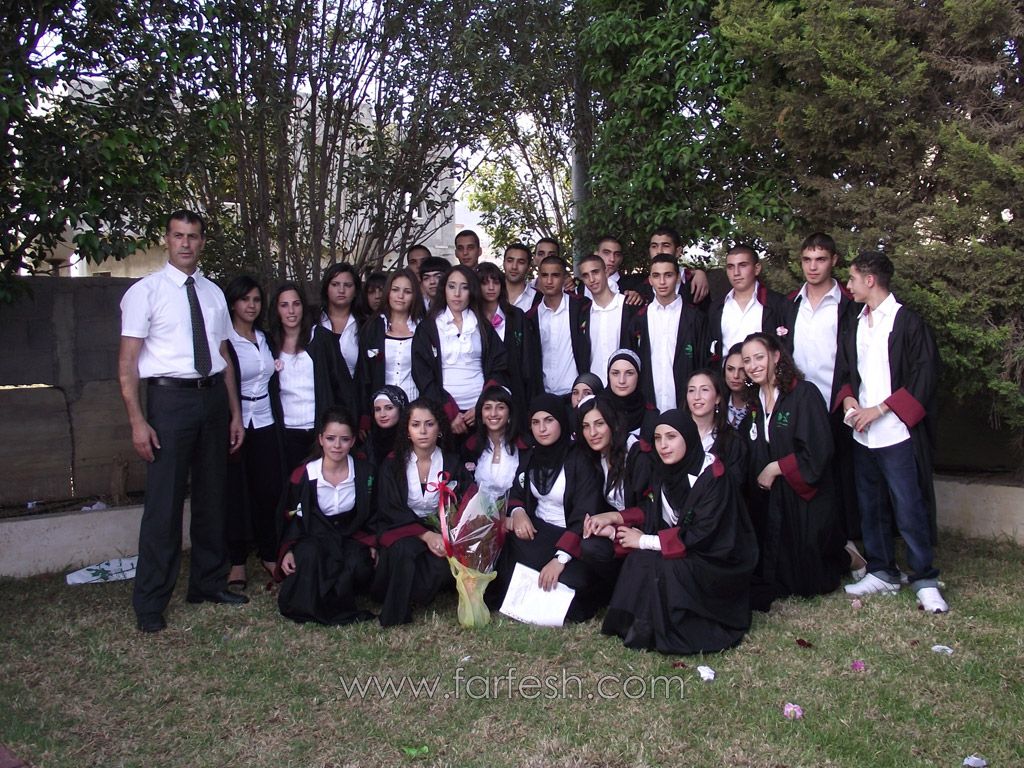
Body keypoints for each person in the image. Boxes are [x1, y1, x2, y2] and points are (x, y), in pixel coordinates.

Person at [118, 209, 247, 633]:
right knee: (164, 503)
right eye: (178, 236)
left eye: (193, 236)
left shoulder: (213, 293)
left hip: (212, 398)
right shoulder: (145, 292)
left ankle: (208, 583)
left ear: (202, 241)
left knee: (213, 497)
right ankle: (151, 601)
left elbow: (223, 355)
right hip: (170, 401)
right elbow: (127, 363)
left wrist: (234, 413)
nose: (186, 243)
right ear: (167, 240)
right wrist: (138, 421)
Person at [836, 251, 947, 613]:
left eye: (852, 278)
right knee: (870, 506)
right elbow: (846, 371)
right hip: (862, 433)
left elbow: (924, 377)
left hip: (897, 433)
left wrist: (879, 410)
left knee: (908, 505)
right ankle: (882, 571)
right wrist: (850, 402)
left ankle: (924, 578)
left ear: (870, 280)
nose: (848, 285)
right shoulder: (855, 322)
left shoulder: (907, 323)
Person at [600, 409, 759, 655]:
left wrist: (644, 540)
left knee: (668, 567)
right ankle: (635, 626)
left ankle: (678, 631)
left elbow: (702, 534)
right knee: (639, 560)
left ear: (688, 437)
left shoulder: (714, 477)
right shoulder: (663, 471)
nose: (663, 445)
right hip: (687, 546)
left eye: (671, 437)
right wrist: (617, 521)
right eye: (658, 438)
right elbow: (655, 511)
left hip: (717, 558)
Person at [741, 332, 846, 611]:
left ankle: (847, 555)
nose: (753, 365)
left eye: (759, 357)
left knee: (808, 582)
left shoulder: (803, 394)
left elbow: (819, 449)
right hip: (773, 500)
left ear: (776, 356)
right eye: (747, 360)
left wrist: (776, 467)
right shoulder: (755, 402)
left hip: (803, 499)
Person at [786, 232, 865, 573]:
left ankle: (846, 541)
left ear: (834, 260)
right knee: (804, 470)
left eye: (820, 259)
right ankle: (807, 538)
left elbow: (854, 358)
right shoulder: (790, 304)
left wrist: (847, 397)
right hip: (798, 404)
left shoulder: (849, 305)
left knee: (840, 474)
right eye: (807, 259)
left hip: (836, 403)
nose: (813, 266)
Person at [492, 394, 603, 622]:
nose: (542, 429)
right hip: (538, 533)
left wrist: (560, 560)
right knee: (506, 547)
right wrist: (519, 512)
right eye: (535, 422)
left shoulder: (579, 460)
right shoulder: (531, 456)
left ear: (561, 421)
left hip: (571, 537)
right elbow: (517, 491)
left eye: (549, 420)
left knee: (575, 580)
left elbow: (585, 513)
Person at [276, 407, 376, 625]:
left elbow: (373, 513)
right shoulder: (303, 475)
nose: (337, 445)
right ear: (321, 439)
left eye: (344, 439)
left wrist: (371, 542)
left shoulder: (365, 472)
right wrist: (288, 549)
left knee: (358, 565)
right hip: (314, 535)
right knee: (309, 556)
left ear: (352, 441)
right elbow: (291, 516)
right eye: (331, 438)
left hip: (349, 534)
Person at [372, 399, 466, 626]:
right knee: (403, 549)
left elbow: (463, 504)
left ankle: (410, 589)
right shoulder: (393, 464)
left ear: (439, 428)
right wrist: (425, 535)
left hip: (440, 529)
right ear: (407, 430)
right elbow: (390, 508)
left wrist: (443, 535)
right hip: (402, 528)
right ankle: (396, 612)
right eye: (415, 425)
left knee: (438, 568)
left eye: (429, 424)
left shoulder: (452, 463)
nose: (422, 431)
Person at [222, 275, 284, 591]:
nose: (251, 305)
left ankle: (269, 553)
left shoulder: (266, 338)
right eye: (245, 299)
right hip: (235, 422)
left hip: (266, 420)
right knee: (235, 492)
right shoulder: (224, 340)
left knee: (268, 490)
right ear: (233, 303)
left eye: (256, 300)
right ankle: (236, 561)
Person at [412, 265, 508, 436]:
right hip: (441, 412)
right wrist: (448, 412)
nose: (457, 294)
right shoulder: (428, 328)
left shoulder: (482, 326)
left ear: (472, 291)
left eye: (464, 287)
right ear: (444, 290)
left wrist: (483, 405)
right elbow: (422, 373)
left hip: (481, 413)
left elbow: (499, 365)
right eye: (452, 286)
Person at [577, 396, 653, 594]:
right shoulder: (596, 455)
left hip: (644, 533)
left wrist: (614, 518)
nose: (592, 433)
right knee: (589, 546)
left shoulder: (638, 455)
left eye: (599, 424)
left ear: (614, 423)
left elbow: (651, 508)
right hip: (619, 530)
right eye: (586, 426)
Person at [269, 282, 348, 473]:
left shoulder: (320, 338)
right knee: (292, 483)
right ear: (277, 310)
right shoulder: (270, 343)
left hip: (319, 430)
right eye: (284, 305)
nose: (291, 311)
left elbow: (342, 384)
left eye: (296, 304)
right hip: (287, 431)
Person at [628, 254, 708, 413]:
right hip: (648, 407)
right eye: (656, 276)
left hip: (686, 407)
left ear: (677, 278)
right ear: (650, 280)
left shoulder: (695, 318)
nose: (662, 282)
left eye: (668, 275)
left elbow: (703, 362)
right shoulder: (639, 319)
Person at [357, 268, 423, 432]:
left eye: (407, 291)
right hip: (381, 412)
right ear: (388, 292)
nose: (400, 296)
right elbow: (364, 374)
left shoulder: (423, 328)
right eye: (395, 290)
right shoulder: (372, 327)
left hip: (415, 408)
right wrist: (364, 414)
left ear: (414, 295)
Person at [523, 256, 591, 399]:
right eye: (544, 275)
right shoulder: (531, 317)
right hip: (545, 395)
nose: (549, 281)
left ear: (564, 277)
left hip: (577, 394)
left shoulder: (581, 307)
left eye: (555, 275)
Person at [708, 244, 790, 359]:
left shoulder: (777, 303)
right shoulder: (716, 307)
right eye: (730, 267)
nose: (736, 272)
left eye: (743, 265)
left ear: (757, 269)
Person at [577, 252, 639, 384]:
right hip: (595, 386)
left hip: (625, 386)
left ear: (605, 272)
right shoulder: (583, 314)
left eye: (595, 272)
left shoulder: (629, 306)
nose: (592, 279)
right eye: (586, 275)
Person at [478, 261, 528, 422]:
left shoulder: (516, 316)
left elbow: (527, 358)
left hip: (515, 386)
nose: (491, 287)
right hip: (481, 390)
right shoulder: (472, 319)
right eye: (484, 283)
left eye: (496, 282)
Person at [684, 369, 746, 488]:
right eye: (691, 390)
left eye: (704, 390)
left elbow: (735, 484)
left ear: (718, 398)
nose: (697, 396)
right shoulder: (675, 434)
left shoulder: (732, 441)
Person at [461, 383, 521, 500]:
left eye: (500, 407)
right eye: (488, 408)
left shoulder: (524, 447)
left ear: (509, 414)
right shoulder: (470, 447)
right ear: (481, 415)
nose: (493, 414)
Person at [319, 262, 363, 413]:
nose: (341, 290)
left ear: (356, 290)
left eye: (348, 285)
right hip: (317, 401)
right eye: (335, 284)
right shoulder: (313, 322)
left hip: (353, 403)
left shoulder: (365, 325)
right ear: (326, 288)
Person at [604, 349, 657, 438]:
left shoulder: (650, 414)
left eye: (629, 373)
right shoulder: (595, 409)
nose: (622, 380)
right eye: (615, 373)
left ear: (639, 376)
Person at [361, 385, 409, 470]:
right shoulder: (369, 442)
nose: (382, 414)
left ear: (401, 410)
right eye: (377, 409)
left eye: (389, 408)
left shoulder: (410, 440)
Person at [503, 243, 539, 312]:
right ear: (504, 263)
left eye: (521, 262)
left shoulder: (539, 299)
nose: (514, 267)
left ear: (528, 267)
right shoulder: (491, 293)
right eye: (510, 261)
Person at [722, 343, 750, 428]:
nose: (736, 375)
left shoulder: (761, 403)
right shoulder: (717, 402)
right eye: (730, 369)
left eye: (742, 370)